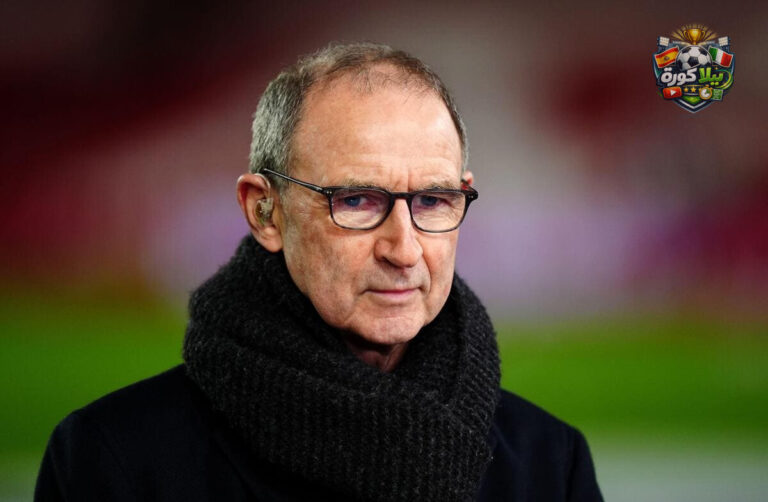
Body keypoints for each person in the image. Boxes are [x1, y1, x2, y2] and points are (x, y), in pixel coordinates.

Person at [35, 43, 603, 501]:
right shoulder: (115, 460)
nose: (404, 250)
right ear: (265, 211)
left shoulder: (550, 465)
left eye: (432, 200)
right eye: (356, 200)